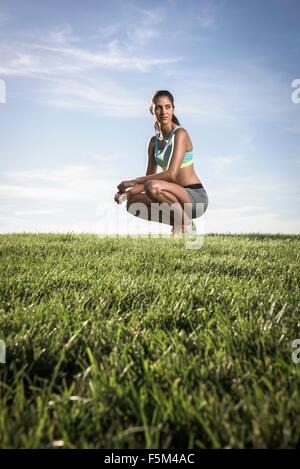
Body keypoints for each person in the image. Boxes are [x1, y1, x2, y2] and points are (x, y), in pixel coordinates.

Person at [114, 90, 209, 235]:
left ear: (173, 109)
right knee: (133, 204)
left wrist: (133, 181)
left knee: (153, 187)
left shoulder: (180, 134)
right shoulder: (153, 143)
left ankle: (186, 224)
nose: (163, 111)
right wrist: (127, 193)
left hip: (194, 198)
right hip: (171, 197)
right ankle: (180, 223)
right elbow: (148, 179)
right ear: (152, 110)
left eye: (168, 107)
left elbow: (171, 174)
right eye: (158, 107)